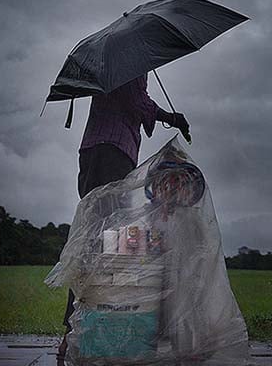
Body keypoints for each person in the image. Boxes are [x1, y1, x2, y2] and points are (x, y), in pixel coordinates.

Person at [57, 73, 190, 361]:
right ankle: (74, 331)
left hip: (102, 151)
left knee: (100, 244)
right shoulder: (131, 64)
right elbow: (136, 100)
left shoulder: (122, 61)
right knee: (101, 244)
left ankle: (77, 330)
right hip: (111, 151)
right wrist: (170, 117)